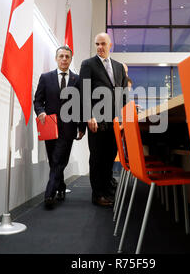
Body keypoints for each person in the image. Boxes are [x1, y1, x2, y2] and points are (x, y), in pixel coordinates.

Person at [79, 33, 128, 207]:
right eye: (97, 44)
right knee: (97, 158)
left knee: (109, 157)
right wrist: (88, 116)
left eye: (103, 44)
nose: (100, 47)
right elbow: (83, 92)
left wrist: (123, 118)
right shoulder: (88, 64)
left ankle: (107, 191)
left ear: (110, 45)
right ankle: (97, 195)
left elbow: (123, 94)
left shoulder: (119, 67)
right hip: (96, 120)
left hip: (114, 121)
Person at [34, 46, 84, 209]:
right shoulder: (45, 78)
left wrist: (82, 127)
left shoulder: (77, 80)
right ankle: (61, 186)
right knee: (55, 161)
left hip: (68, 128)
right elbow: (38, 101)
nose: (64, 59)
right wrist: (40, 112)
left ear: (70, 59)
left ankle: (49, 195)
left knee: (58, 160)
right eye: (61, 56)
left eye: (67, 57)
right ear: (56, 59)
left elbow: (81, 105)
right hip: (50, 126)